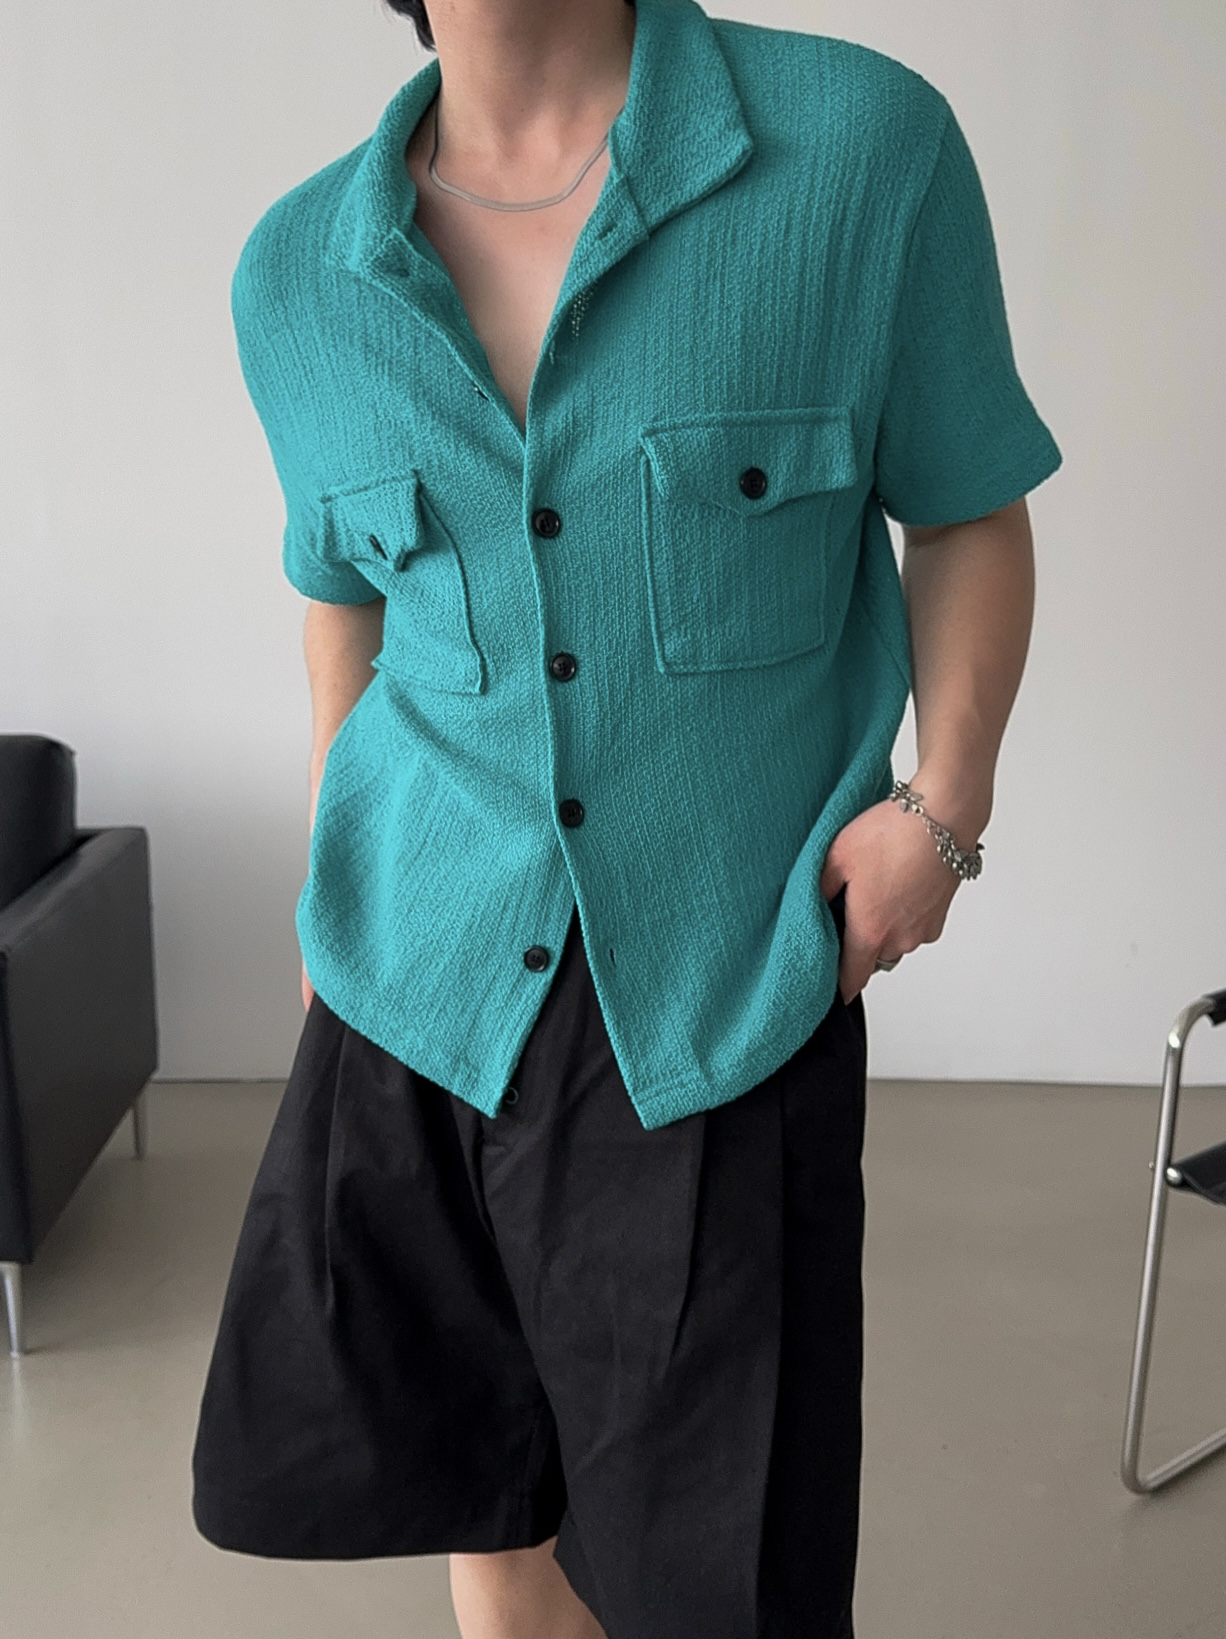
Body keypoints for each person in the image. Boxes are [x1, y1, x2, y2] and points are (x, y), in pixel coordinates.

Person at [190, 0, 1062, 1634]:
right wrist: (332, 863)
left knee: (714, 1565)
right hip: (415, 972)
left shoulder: (858, 151)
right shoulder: (295, 272)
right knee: (483, 1484)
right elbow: (344, 598)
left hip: (709, 984)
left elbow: (964, 508)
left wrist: (940, 811)